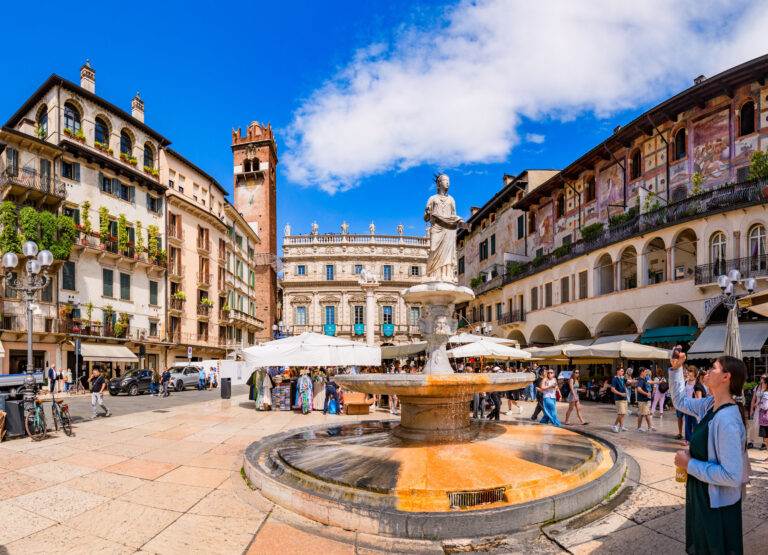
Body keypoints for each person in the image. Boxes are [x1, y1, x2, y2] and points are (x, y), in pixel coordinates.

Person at [670, 349, 749, 555]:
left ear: (726, 377)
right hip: (702, 494)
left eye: (714, 367)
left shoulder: (727, 419)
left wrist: (689, 464)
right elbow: (680, 402)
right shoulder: (709, 405)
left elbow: (731, 475)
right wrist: (676, 369)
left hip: (716, 505)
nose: (708, 370)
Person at [683, 366, 706, 445]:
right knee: (687, 422)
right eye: (688, 371)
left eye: (690, 371)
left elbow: (699, 397)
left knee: (695, 423)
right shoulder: (686, 382)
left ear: (694, 373)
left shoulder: (697, 384)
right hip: (687, 405)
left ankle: (696, 439)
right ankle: (687, 439)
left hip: (695, 406)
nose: (688, 372)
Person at [748, 375, 768, 450]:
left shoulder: (767, 387)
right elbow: (753, 399)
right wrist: (751, 409)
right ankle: (751, 441)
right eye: (761, 378)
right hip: (757, 409)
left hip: (765, 409)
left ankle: (764, 443)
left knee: (764, 426)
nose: (762, 379)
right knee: (754, 425)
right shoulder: (757, 387)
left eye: (764, 378)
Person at [635, 368, 655, 432]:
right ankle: (639, 428)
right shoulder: (641, 380)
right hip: (642, 399)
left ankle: (649, 426)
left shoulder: (643, 379)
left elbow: (650, 382)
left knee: (646, 413)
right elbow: (639, 389)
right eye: (645, 372)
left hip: (643, 399)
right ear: (642, 373)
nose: (646, 373)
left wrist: (659, 382)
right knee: (642, 414)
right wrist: (646, 393)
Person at [611, 367, 629, 433]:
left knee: (623, 413)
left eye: (623, 371)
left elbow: (629, 381)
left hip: (624, 398)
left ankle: (621, 427)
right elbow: (612, 389)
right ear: (618, 371)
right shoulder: (615, 379)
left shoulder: (622, 378)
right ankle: (614, 425)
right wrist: (621, 393)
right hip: (619, 399)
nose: (623, 372)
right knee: (621, 413)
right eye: (622, 371)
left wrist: (637, 380)